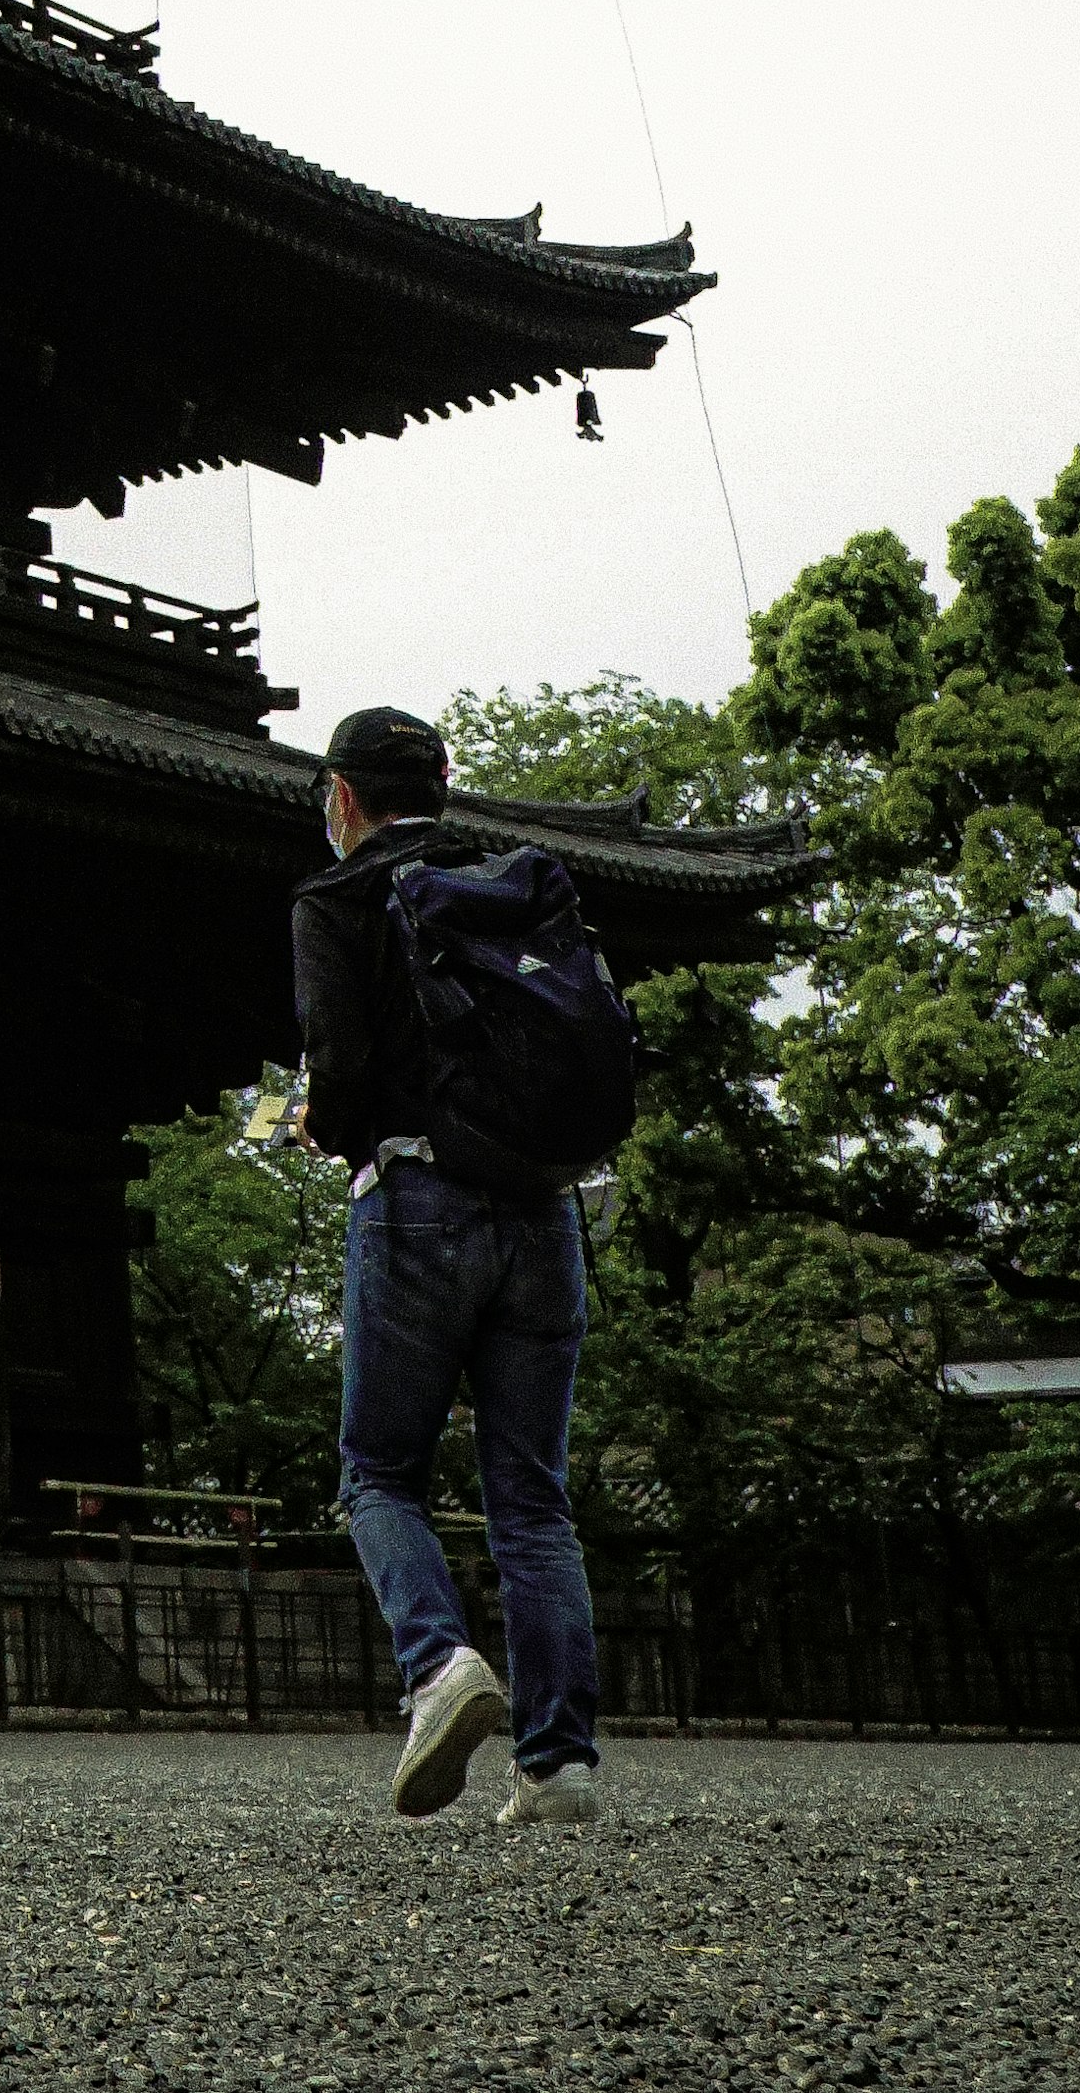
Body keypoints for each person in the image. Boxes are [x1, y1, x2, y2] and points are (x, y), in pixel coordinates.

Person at [294, 702, 602, 1827]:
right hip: (544, 1211)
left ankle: (437, 1667)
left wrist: (321, 1125)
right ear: (445, 781)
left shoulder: (335, 898)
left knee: (379, 1471)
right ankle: (559, 1767)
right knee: (532, 1498)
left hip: (416, 1202)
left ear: (342, 797)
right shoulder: (517, 879)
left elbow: (337, 1071)